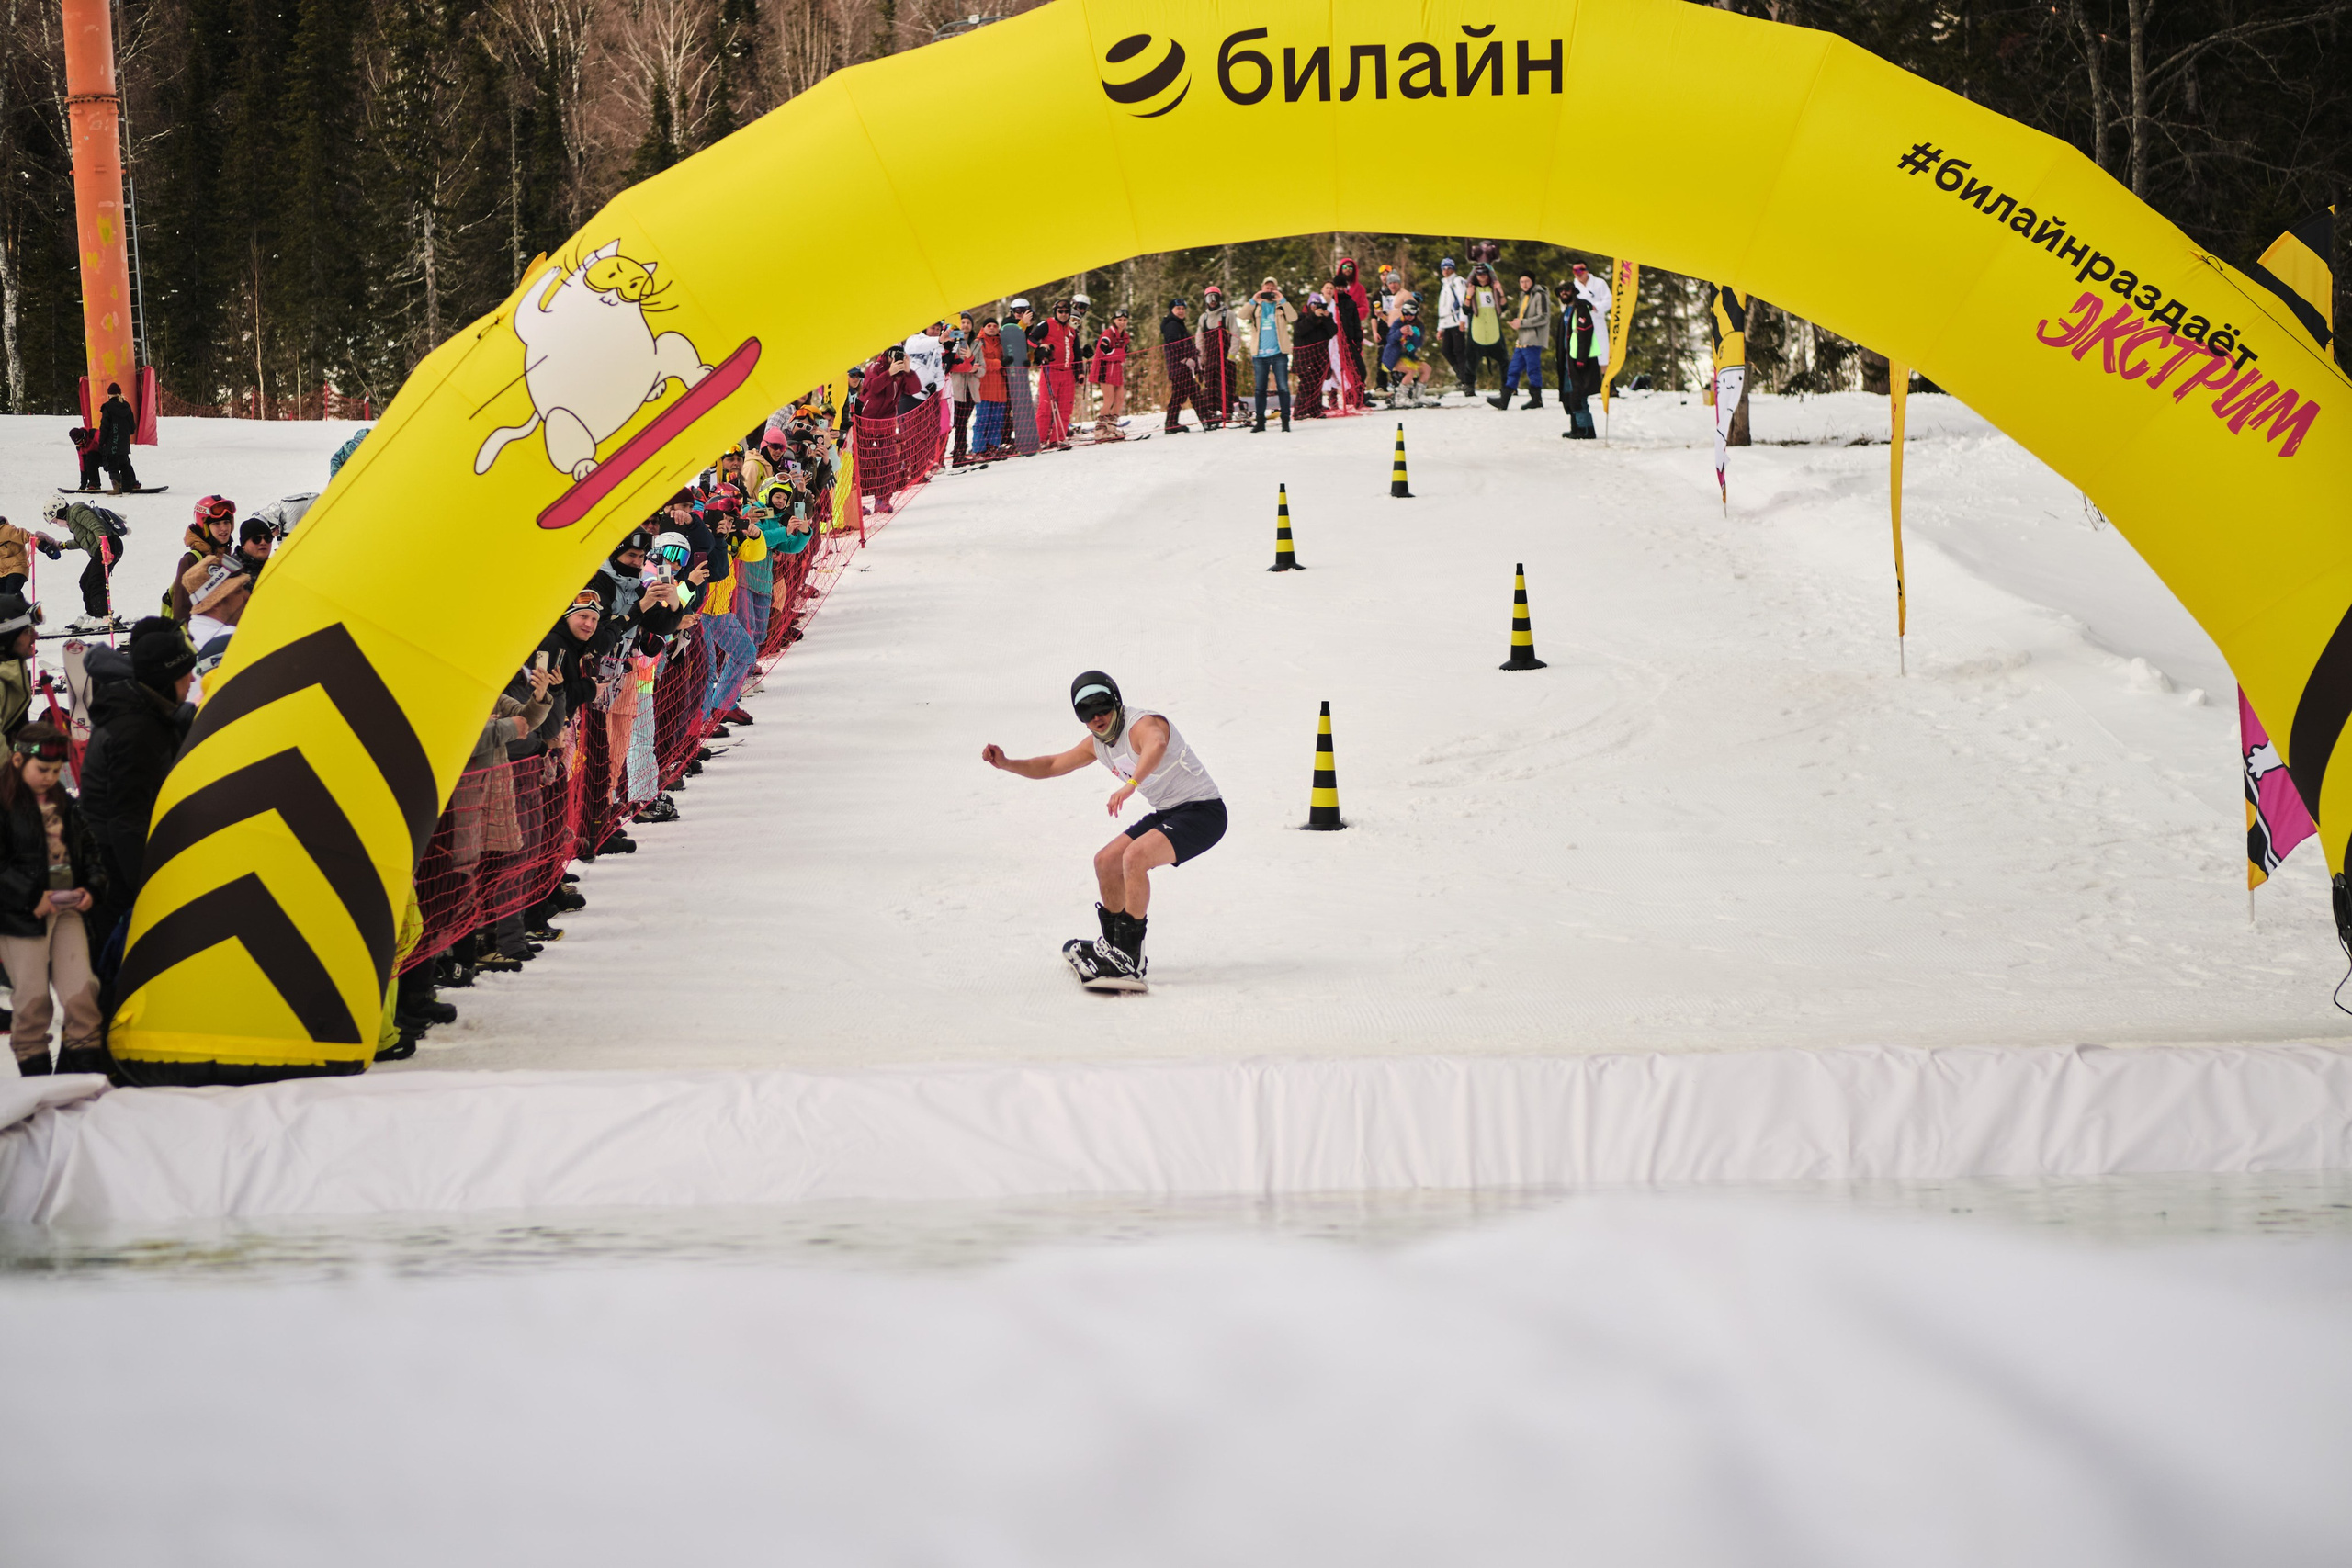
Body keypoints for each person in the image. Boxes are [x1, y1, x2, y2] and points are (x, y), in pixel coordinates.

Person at [980, 670, 1227, 991]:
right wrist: (1007, 763)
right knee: (1107, 861)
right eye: (1087, 711)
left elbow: (1157, 744)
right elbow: (1053, 765)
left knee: (1135, 857)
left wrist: (1132, 784)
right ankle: (1114, 948)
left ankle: (1130, 959)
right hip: (1170, 811)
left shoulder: (1142, 725)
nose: (1097, 717)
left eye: (1103, 707)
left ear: (1117, 702)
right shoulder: (1097, 744)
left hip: (1204, 812)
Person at [76, 618, 197, 964]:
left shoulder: (147, 708)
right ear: (165, 679)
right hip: (112, 859)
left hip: (116, 850)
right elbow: (126, 819)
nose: (192, 681)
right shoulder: (136, 730)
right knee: (116, 953)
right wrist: (146, 884)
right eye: (184, 674)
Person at [0, 723, 107, 1076]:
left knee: (81, 992)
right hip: (22, 918)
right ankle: (36, 1080)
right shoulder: (4, 803)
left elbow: (88, 845)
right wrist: (32, 896)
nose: (49, 777)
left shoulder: (63, 800)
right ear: (17, 761)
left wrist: (91, 886)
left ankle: (83, 1076)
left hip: (68, 909)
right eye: (42, 770)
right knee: (31, 1000)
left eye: (56, 770)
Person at [39, 494, 131, 634]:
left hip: (109, 545)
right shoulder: (72, 521)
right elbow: (82, 541)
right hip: (103, 547)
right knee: (85, 581)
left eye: (55, 520)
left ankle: (103, 616)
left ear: (58, 512)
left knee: (95, 580)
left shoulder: (77, 511)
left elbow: (96, 526)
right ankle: (93, 613)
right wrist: (62, 545)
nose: (56, 524)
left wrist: (104, 546)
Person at [183, 517, 273, 644]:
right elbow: (180, 607)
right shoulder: (227, 640)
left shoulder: (275, 566)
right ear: (215, 603)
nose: (263, 542)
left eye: (268, 538)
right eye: (256, 539)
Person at [169, 496, 236, 623]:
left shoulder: (227, 558)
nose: (224, 528)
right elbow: (181, 611)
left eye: (226, 522)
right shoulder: (191, 561)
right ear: (204, 528)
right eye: (216, 523)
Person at [1245, 277, 1296, 434]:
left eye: (1272, 288)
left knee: (1283, 388)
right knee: (1260, 389)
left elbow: (1294, 317)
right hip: (1260, 354)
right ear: (1262, 289)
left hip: (1279, 353)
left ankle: (1285, 421)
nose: (1269, 291)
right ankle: (1260, 422)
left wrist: (1283, 300)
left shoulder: (1281, 307)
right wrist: (1254, 299)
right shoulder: (1256, 307)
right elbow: (1241, 315)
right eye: (1267, 288)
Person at [1555, 278, 1604, 440]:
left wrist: (1581, 358)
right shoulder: (1567, 311)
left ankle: (1586, 430)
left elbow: (1585, 334)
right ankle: (1576, 428)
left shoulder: (1580, 309)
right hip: (1568, 360)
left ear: (1573, 291)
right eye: (1561, 291)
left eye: (1567, 290)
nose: (1564, 293)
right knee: (1570, 395)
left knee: (1579, 395)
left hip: (1579, 360)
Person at [1491, 272, 1549, 410]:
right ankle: (1504, 400)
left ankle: (1536, 399)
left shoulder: (1540, 295)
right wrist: (1518, 324)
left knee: (1532, 369)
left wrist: (1522, 323)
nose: (1524, 284)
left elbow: (1544, 317)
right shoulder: (1523, 295)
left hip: (1533, 338)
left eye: (1527, 281)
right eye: (1522, 281)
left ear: (1533, 282)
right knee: (1514, 368)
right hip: (1522, 338)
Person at [1035, 301, 1081, 446]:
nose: (1063, 314)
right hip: (1051, 370)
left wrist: (1079, 372)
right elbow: (1030, 338)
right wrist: (1040, 347)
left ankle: (1058, 438)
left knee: (1065, 407)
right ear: (1055, 312)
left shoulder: (1072, 331)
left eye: (1066, 312)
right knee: (1046, 406)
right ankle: (1039, 439)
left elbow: (1077, 353)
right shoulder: (1047, 325)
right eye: (1060, 312)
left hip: (1068, 372)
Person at [1159, 298, 1207, 434]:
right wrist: (1185, 359)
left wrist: (1193, 355)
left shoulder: (1178, 324)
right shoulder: (1172, 325)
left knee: (1178, 396)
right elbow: (1173, 345)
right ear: (1172, 310)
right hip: (1179, 367)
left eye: (1182, 309)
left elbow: (1184, 344)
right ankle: (1206, 420)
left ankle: (1171, 423)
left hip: (1180, 367)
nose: (1181, 311)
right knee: (1194, 392)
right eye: (1178, 309)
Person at [1001, 299, 1043, 455]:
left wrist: (1032, 357)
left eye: (1023, 311)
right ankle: (1004, 439)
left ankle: (1024, 438)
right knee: (1006, 406)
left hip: (1020, 371)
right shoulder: (1008, 324)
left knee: (1023, 405)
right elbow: (1013, 337)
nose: (1020, 314)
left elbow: (1026, 345)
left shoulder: (1030, 328)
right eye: (1017, 311)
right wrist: (1024, 323)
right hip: (1007, 370)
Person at [1330, 257, 1371, 406]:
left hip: (1351, 333)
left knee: (1356, 367)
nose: (1348, 270)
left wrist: (1350, 313)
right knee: (1335, 367)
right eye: (1345, 267)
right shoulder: (1331, 293)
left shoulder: (1359, 289)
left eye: (1351, 268)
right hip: (1335, 335)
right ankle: (1336, 398)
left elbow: (1364, 308)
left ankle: (1356, 395)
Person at [1464, 262, 1510, 393]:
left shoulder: (1493, 289)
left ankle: (1507, 386)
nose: (1482, 277)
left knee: (1504, 359)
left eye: (1484, 274)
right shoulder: (1472, 289)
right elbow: (1466, 309)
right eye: (1479, 274)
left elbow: (1504, 307)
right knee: (1471, 360)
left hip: (1493, 330)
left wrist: (1501, 292)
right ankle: (1469, 385)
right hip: (1477, 331)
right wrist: (1468, 295)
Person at [969, 317, 1011, 458]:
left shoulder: (1002, 343)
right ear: (984, 328)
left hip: (1000, 388)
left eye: (994, 325)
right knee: (982, 420)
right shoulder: (978, 342)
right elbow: (978, 362)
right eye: (989, 325)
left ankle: (993, 446)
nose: (992, 328)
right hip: (984, 388)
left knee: (997, 420)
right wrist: (999, 363)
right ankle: (979, 449)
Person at [1291, 293, 1339, 417]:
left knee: (1318, 383)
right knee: (1307, 383)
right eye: (1313, 304)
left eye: (1318, 305)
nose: (1316, 307)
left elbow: (1332, 332)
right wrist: (1313, 317)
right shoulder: (1301, 317)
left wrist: (1327, 318)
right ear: (1309, 304)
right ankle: (1299, 411)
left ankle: (1315, 409)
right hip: (1304, 358)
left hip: (1319, 357)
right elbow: (1299, 330)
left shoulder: (1323, 319)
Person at [0, 593, 38, 743]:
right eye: (28, 631)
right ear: (6, 637)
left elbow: (12, 744)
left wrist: (42, 745)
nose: (36, 636)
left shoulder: (10, 673)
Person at [1433, 257, 1473, 398]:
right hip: (1447, 322)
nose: (1446, 271)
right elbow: (1442, 308)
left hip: (1456, 321)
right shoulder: (1445, 284)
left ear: (1453, 269)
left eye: (1448, 268)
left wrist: (1463, 320)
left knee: (1459, 351)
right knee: (1446, 351)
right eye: (1443, 268)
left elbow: (1463, 301)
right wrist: (1441, 328)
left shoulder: (1457, 282)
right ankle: (1462, 376)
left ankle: (1468, 383)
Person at [1195, 285, 1233, 427]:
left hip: (1225, 357)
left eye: (1215, 297)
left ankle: (1227, 412)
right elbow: (1200, 340)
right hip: (1210, 358)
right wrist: (1201, 359)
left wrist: (1232, 356)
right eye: (1209, 298)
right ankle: (1213, 411)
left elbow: (1235, 334)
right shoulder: (1203, 318)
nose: (1212, 301)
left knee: (1226, 384)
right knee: (1210, 385)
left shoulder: (1227, 314)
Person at [946, 312, 982, 461]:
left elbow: (982, 368)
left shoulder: (977, 344)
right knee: (950, 425)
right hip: (955, 389)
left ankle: (959, 454)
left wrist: (975, 369)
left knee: (962, 424)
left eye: (968, 322)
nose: (965, 325)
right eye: (963, 322)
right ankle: (939, 456)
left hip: (970, 390)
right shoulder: (952, 342)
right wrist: (967, 365)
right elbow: (950, 365)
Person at [1090, 308, 1130, 439]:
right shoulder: (1108, 334)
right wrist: (1120, 353)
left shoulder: (1125, 336)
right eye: (1119, 320)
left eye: (1124, 320)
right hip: (1105, 370)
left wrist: (1120, 354)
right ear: (1114, 320)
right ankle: (1100, 430)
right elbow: (1103, 353)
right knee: (1109, 399)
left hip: (1116, 369)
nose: (1122, 322)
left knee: (1119, 399)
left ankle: (1111, 428)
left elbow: (1123, 355)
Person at [1383, 301, 1433, 407]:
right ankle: (1400, 397)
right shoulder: (1398, 323)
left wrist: (1412, 335)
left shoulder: (1419, 325)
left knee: (1426, 368)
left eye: (1412, 313)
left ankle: (1418, 395)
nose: (1409, 316)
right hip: (1393, 357)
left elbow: (1418, 343)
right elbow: (1390, 339)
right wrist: (1400, 332)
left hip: (1409, 357)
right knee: (1411, 371)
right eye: (1406, 313)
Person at [96, 381, 140, 493]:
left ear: (109, 395)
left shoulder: (108, 407)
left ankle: (116, 487)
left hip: (112, 442)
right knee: (124, 463)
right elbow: (132, 427)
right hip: (124, 442)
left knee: (113, 464)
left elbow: (105, 426)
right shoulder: (126, 406)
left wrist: (101, 442)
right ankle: (127, 487)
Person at [67, 425, 103, 492]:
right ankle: (94, 483)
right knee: (87, 459)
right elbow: (82, 464)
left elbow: (106, 445)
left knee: (91, 455)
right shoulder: (80, 447)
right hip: (93, 459)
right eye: (78, 444)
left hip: (106, 455)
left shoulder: (95, 434)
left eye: (81, 442)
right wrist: (83, 484)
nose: (81, 445)